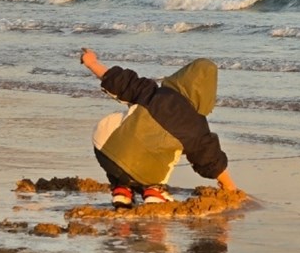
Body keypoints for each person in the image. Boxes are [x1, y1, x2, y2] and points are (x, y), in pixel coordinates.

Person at [80, 48, 239, 206]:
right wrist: (229, 186)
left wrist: (92, 63)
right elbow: (210, 159)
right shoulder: (197, 126)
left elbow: (119, 81)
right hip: (145, 171)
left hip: (106, 152)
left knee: (125, 127)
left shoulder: (151, 91)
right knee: (166, 153)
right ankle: (153, 189)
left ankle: (122, 188)